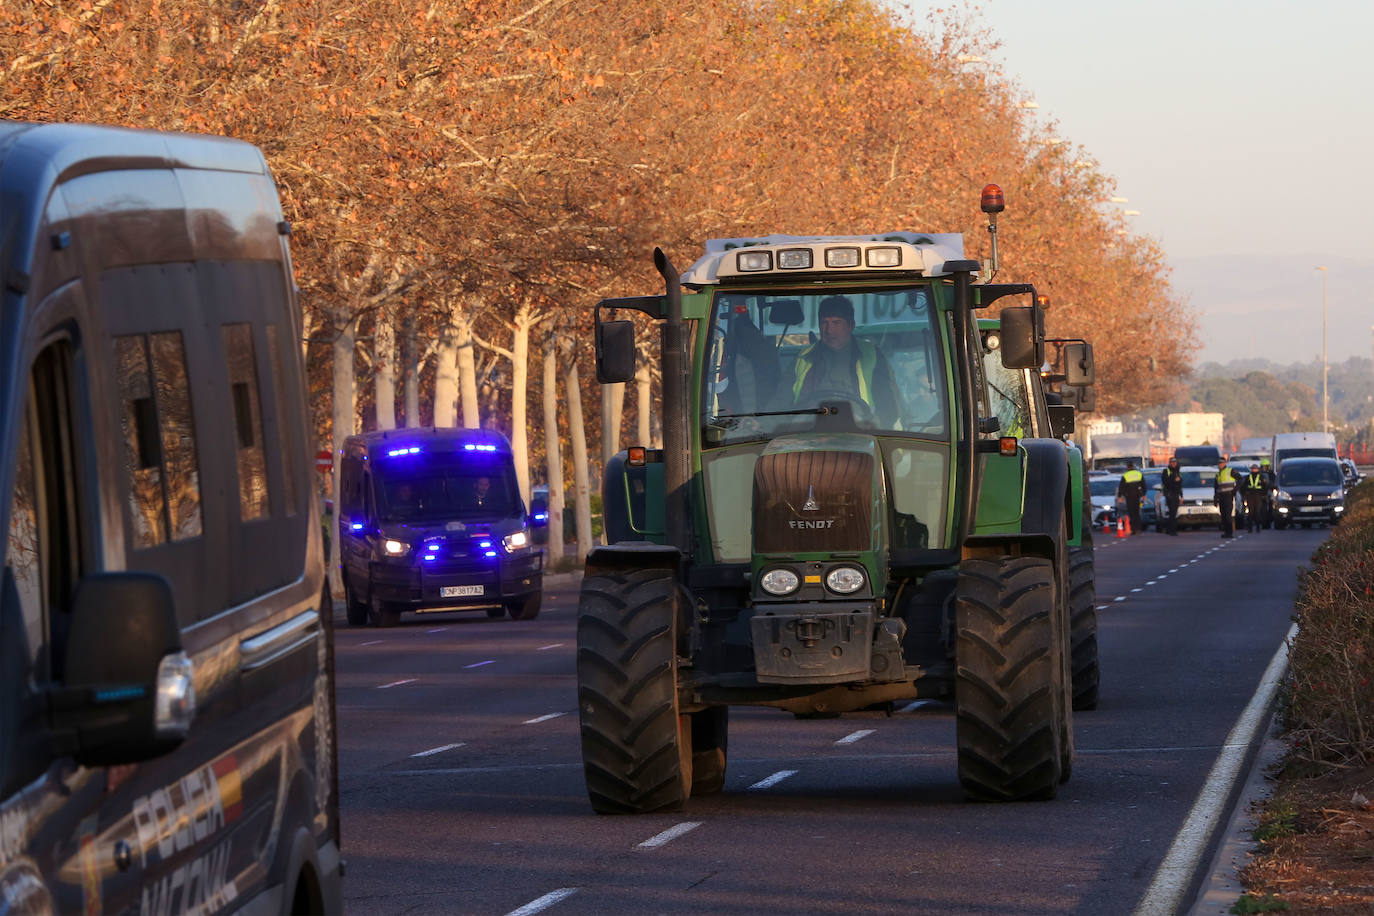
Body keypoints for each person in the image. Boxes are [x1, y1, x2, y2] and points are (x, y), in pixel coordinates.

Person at [792, 295, 900, 425]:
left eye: (836, 322)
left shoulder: (871, 355)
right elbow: (779, 405)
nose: (829, 330)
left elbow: (889, 409)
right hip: (809, 437)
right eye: (824, 322)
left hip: (862, 437)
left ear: (851, 325)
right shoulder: (803, 357)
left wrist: (870, 428)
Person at [1117, 460, 1145, 535]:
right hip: (1137, 496)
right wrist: (1144, 495)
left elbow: (1121, 487)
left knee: (1131, 513)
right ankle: (1138, 529)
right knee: (1137, 513)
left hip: (1129, 496)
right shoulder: (1139, 474)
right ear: (1133, 466)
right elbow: (1143, 485)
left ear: (1127, 467)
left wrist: (1120, 496)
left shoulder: (1125, 475)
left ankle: (1133, 529)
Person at [1214, 455, 1238, 538]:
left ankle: (1229, 532)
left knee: (1228, 515)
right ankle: (1226, 532)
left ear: (1225, 463)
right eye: (1219, 463)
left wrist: (1234, 490)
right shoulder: (1218, 474)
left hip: (1228, 496)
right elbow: (1216, 487)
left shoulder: (1230, 471)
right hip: (1221, 497)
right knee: (1223, 515)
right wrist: (1215, 498)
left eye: (1221, 463)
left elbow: (1241, 479)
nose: (1220, 465)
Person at [1160, 455, 1184, 536]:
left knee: (1174, 513)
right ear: (1169, 463)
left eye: (1175, 462)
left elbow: (1180, 485)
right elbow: (1166, 482)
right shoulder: (1166, 471)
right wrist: (1174, 480)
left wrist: (1181, 496)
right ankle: (1172, 530)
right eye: (1172, 463)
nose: (1174, 464)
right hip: (1170, 494)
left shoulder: (1178, 472)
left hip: (1176, 494)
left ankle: (1170, 529)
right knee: (1172, 512)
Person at [1241, 462, 1267, 533]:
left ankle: (1257, 527)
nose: (1254, 470)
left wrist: (1264, 495)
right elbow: (1243, 487)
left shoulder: (1261, 477)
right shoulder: (1248, 477)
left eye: (1255, 469)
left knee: (1257, 512)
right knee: (1251, 512)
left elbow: (1265, 487)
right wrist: (1244, 496)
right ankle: (1251, 528)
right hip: (1251, 496)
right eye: (1253, 469)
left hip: (1258, 496)